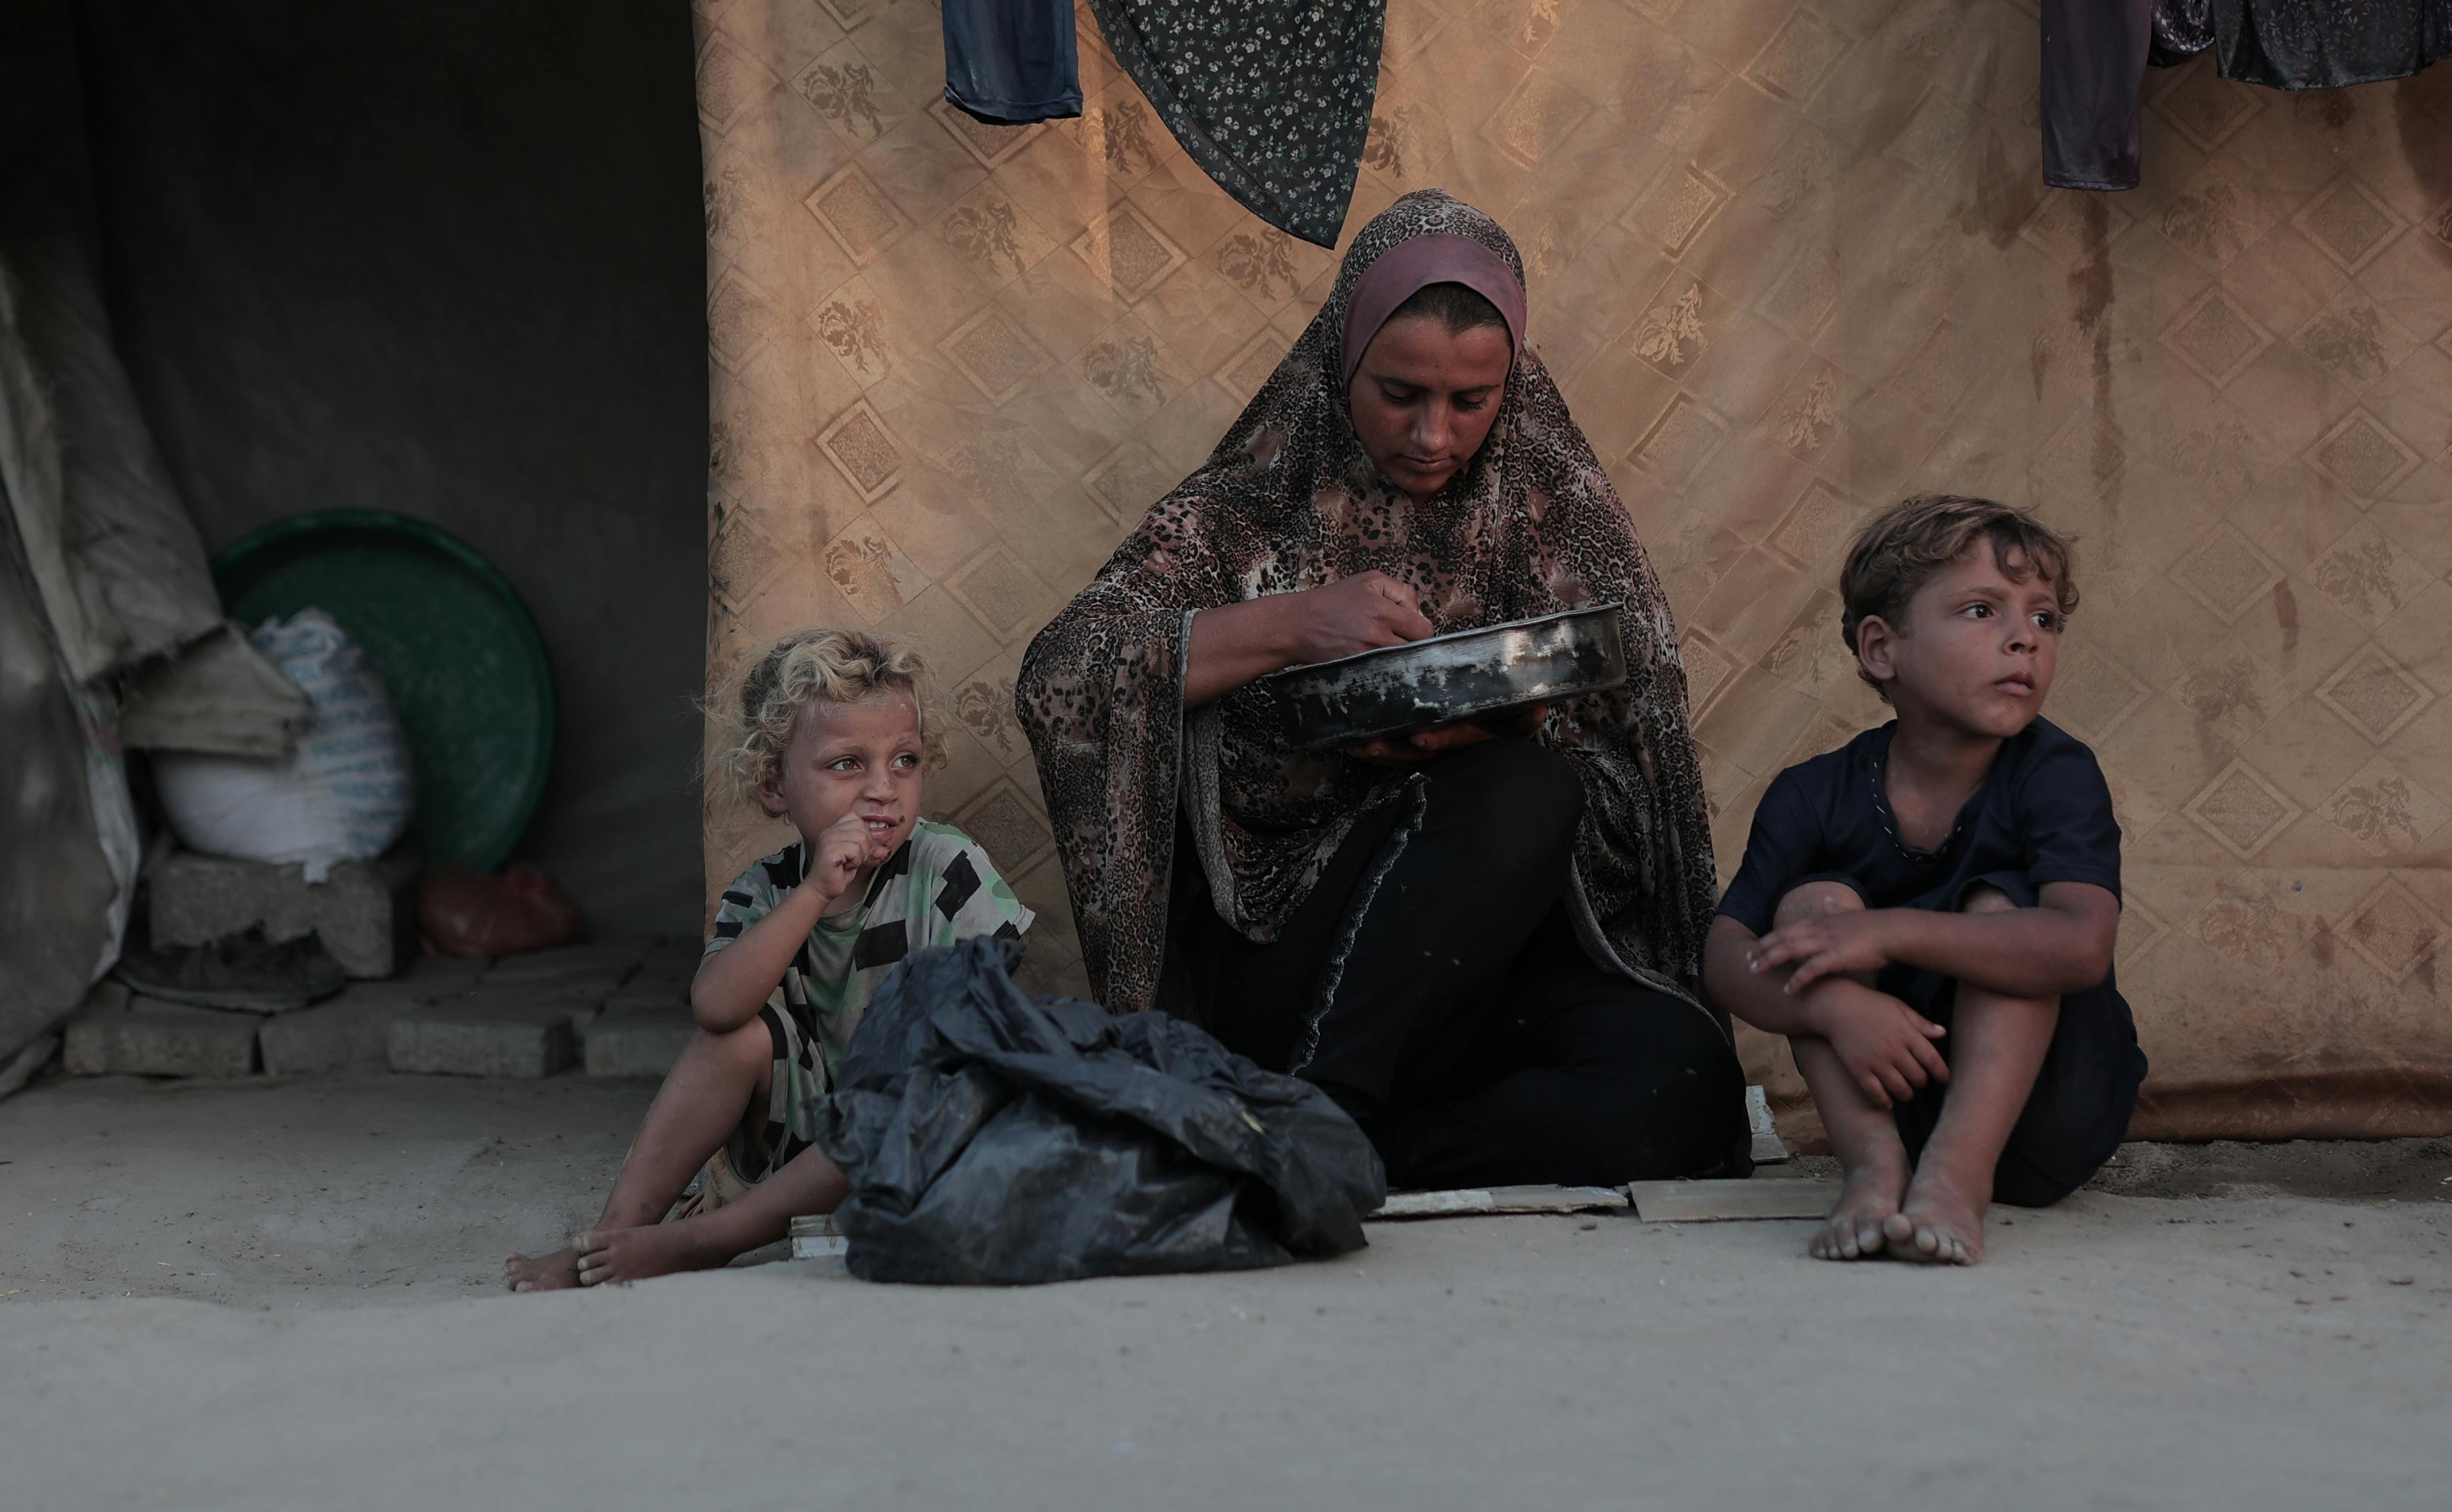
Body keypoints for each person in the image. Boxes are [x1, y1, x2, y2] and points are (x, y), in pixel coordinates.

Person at [1016, 189, 1740, 1190]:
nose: (1434, 437)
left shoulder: (1550, 518)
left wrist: (1488, 734)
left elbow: (1633, 784)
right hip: (1294, 969)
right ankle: (1320, 1118)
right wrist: (1287, 626)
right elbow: (1064, 678)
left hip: (1470, 976)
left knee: (1683, 1080)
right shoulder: (1243, 514)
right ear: (1339, 359)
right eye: (1399, 393)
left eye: (1472, 401)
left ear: (1512, 387)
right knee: (1521, 793)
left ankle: (1338, 1147)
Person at [507, 628, 1029, 1289]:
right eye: (847, 764)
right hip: (807, 1139)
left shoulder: (948, 869)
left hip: (923, 1134)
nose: (884, 789)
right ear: (774, 787)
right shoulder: (768, 889)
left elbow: (987, 1030)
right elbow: (715, 1007)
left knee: (928, 1075)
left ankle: (708, 1240)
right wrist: (816, 892)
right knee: (736, 1037)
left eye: (905, 761)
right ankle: (613, 1235)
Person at [1703, 494, 2145, 1267]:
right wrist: (1837, 1005)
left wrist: (1883, 932)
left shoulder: (2057, 774)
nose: (2023, 641)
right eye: (1983, 610)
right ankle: (1875, 1174)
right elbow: (1724, 954)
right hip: (1894, 1094)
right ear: (1882, 650)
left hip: (2050, 1115)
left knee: (2007, 911)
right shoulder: (1812, 794)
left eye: (2044, 620)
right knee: (1813, 905)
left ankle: (1957, 1178)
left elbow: (2079, 945)